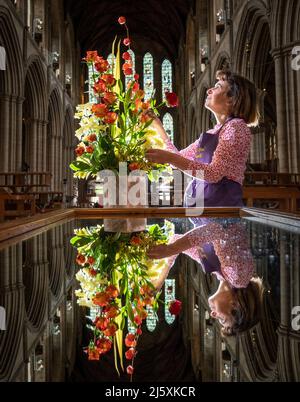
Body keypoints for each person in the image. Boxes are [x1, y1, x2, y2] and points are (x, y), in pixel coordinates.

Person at [146, 70, 259, 207]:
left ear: (232, 99)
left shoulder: (237, 127)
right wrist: (159, 127)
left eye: (217, 86)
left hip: (220, 211)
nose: (209, 90)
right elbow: (179, 157)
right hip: (202, 209)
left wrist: (170, 158)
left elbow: (214, 173)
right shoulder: (214, 132)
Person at [147, 219, 264, 336]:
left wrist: (160, 279)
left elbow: (177, 241)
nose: (213, 315)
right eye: (222, 319)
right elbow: (215, 230)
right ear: (235, 305)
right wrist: (170, 249)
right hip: (214, 204)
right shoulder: (239, 277)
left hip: (198, 206)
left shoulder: (222, 274)